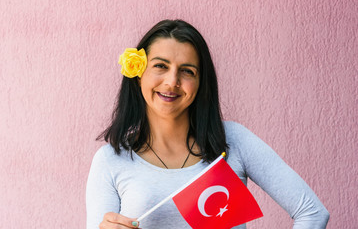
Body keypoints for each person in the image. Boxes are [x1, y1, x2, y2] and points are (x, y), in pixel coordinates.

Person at [86, 19, 330, 229]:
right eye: (160, 66)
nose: (172, 81)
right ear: (138, 75)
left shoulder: (233, 141)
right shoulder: (110, 160)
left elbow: (312, 212)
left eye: (187, 71)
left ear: (201, 82)